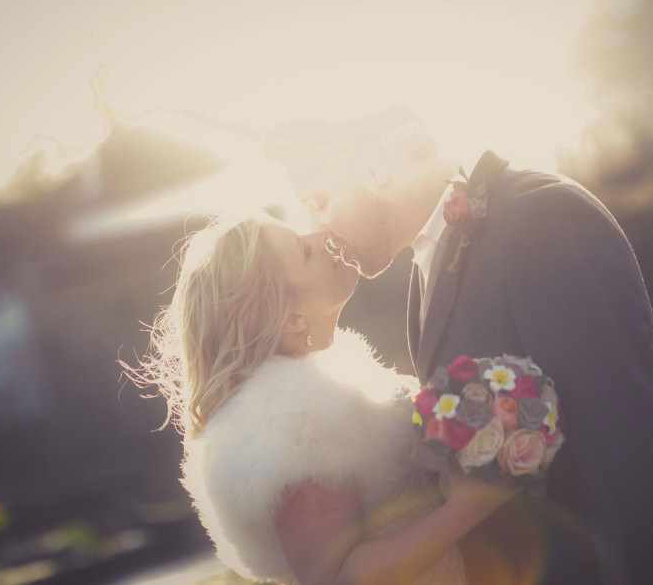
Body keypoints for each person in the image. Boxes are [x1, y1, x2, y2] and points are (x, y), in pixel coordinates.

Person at [319, 144, 653, 585]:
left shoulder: (542, 216)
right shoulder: (424, 272)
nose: (319, 231)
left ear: (373, 166)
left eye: (320, 202)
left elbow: (622, 445)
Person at [127, 212, 513, 585]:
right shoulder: (290, 426)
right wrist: (470, 506)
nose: (321, 236)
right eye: (305, 251)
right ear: (291, 320)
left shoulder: (337, 390)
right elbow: (338, 578)